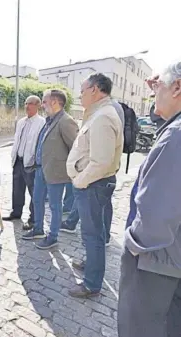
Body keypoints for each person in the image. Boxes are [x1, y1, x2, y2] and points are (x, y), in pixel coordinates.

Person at [118, 61, 181, 337]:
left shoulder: (176, 137)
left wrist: (134, 245)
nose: (154, 93)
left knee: (142, 333)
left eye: (160, 88)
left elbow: (157, 213)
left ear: (177, 88)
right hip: (170, 255)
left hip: (156, 259)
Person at [66, 73, 123, 298]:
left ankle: (91, 284)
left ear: (96, 89)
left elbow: (101, 162)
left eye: (82, 90)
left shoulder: (103, 117)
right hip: (91, 184)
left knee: (93, 235)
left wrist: (79, 181)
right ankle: (91, 264)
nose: (80, 95)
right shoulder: (98, 114)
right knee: (92, 233)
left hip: (93, 184)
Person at [22, 89, 78, 250]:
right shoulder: (49, 120)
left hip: (56, 172)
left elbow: (75, 148)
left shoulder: (66, 121)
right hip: (40, 170)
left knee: (54, 206)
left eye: (44, 102)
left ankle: (52, 237)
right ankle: (38, 229)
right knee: (37, 200)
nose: (42, 105)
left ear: (54, 102)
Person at [2, 95, 45, 230]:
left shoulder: (41, 122)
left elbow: (40, 144)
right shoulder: (21, 122)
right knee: (17, 189)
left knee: (34, 192)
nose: (27, 106)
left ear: (38, 106)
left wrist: (36, 161)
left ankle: (33, 219)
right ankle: (16, 212)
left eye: (31, 103)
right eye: (26, 103)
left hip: (31, 163)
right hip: (18, 161)